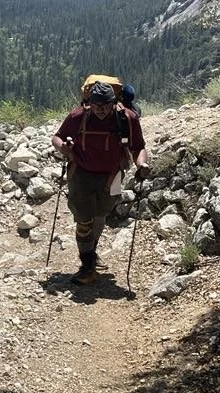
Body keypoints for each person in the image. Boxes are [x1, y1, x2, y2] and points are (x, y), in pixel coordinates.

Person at [51, 79, 150, 285]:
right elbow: (58, 137)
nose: (100, 110)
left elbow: (138, 147)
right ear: (89, 103)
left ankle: (91, 253)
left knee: (100, 214)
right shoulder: (79, 116)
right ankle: (87, 266)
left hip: (112, 175)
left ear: (114, 102)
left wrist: (141, 164)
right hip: (82, 174)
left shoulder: (127, 119)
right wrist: (64, 148)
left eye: (105, 105)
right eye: (96, 106)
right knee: (84, 218)